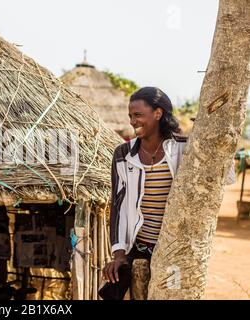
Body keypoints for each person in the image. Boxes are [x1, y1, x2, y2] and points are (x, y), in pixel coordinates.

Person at [100, 87, 234, 300]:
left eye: (138, 115)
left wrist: (209, 138)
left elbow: (224, 177)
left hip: (175, 251)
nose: (133, 121)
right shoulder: (123, 155)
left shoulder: (185, 149)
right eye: (130, 116)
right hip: (139, 249)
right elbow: (118, 205)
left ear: (158, 113)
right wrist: (119, 254)